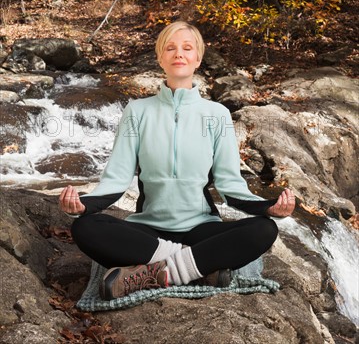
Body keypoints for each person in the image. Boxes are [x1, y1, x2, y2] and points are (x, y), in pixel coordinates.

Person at [59, 21, 295, 300]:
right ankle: (199, 268)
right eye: (170, 48)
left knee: (262, 230)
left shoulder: (217, 114)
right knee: (86, 228)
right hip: (148, 231)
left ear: (198, 58)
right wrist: (81, 206)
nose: (178, 54)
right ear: (160, 58)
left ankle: (151, 273)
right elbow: (117, 178)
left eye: (187, 48)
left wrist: (269, 208)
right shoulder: (137, 111)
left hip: (201, 229)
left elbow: (231, 185)